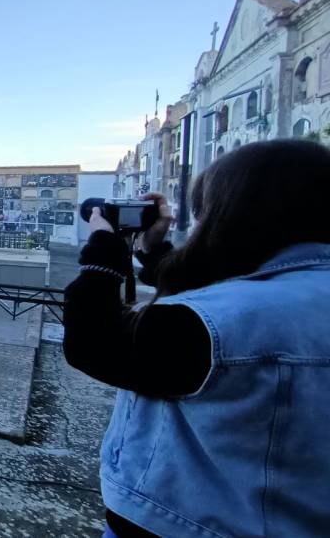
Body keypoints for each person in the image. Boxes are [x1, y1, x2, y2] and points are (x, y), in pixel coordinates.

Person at [63, 139, 330, 538]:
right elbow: (221, 292)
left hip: (186, 523)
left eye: (206, 213)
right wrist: (156, 252)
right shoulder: (298, 295)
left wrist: (103, 251)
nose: (202, 224)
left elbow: (91, 341)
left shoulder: (214, 322)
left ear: (240, 214)